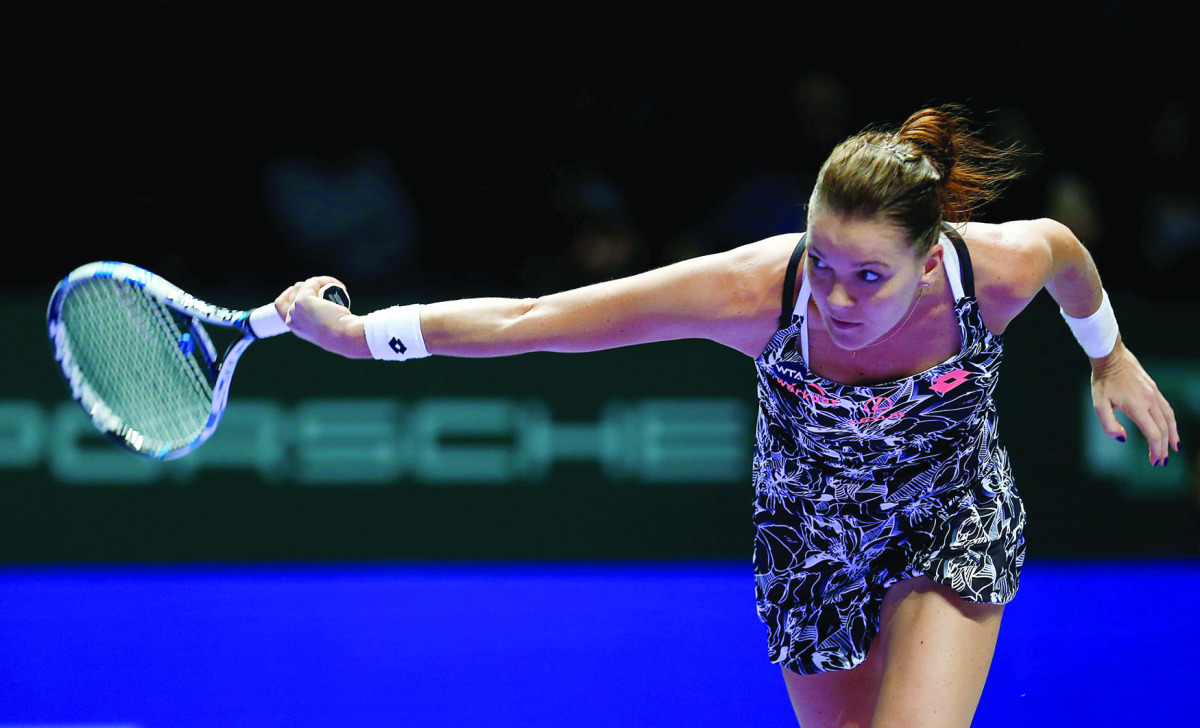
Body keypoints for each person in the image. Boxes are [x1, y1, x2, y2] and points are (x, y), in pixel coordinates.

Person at [272, 106, 1180, 727]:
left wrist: (1110, 353)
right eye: (823, 260)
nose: (834, 295)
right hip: (810, 544)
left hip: (951, 521)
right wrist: (360, 337)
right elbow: (533, 318)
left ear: (927, 260)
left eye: (869, 275)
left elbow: (1068, 254)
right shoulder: (755, 292)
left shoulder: (995, 270)